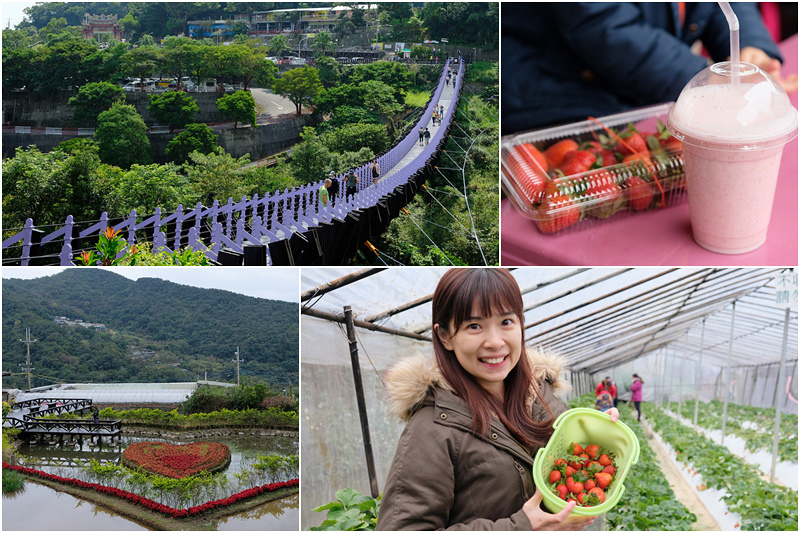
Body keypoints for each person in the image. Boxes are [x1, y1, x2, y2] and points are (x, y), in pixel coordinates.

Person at [377, 268, 619, 530]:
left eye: (506, 322)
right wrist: (522, 527)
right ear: (446, 336)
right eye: (474, 326)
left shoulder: (538, 393)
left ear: (521, 324)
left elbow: (566, 467)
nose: (494, 342)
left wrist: (592, 434)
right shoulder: (433, 428)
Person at [501, 3, 798, 133]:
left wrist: (750, 49)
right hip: (550, 92)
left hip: (638, 85)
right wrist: (709, 79)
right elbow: (603, 26)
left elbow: (726, 7)